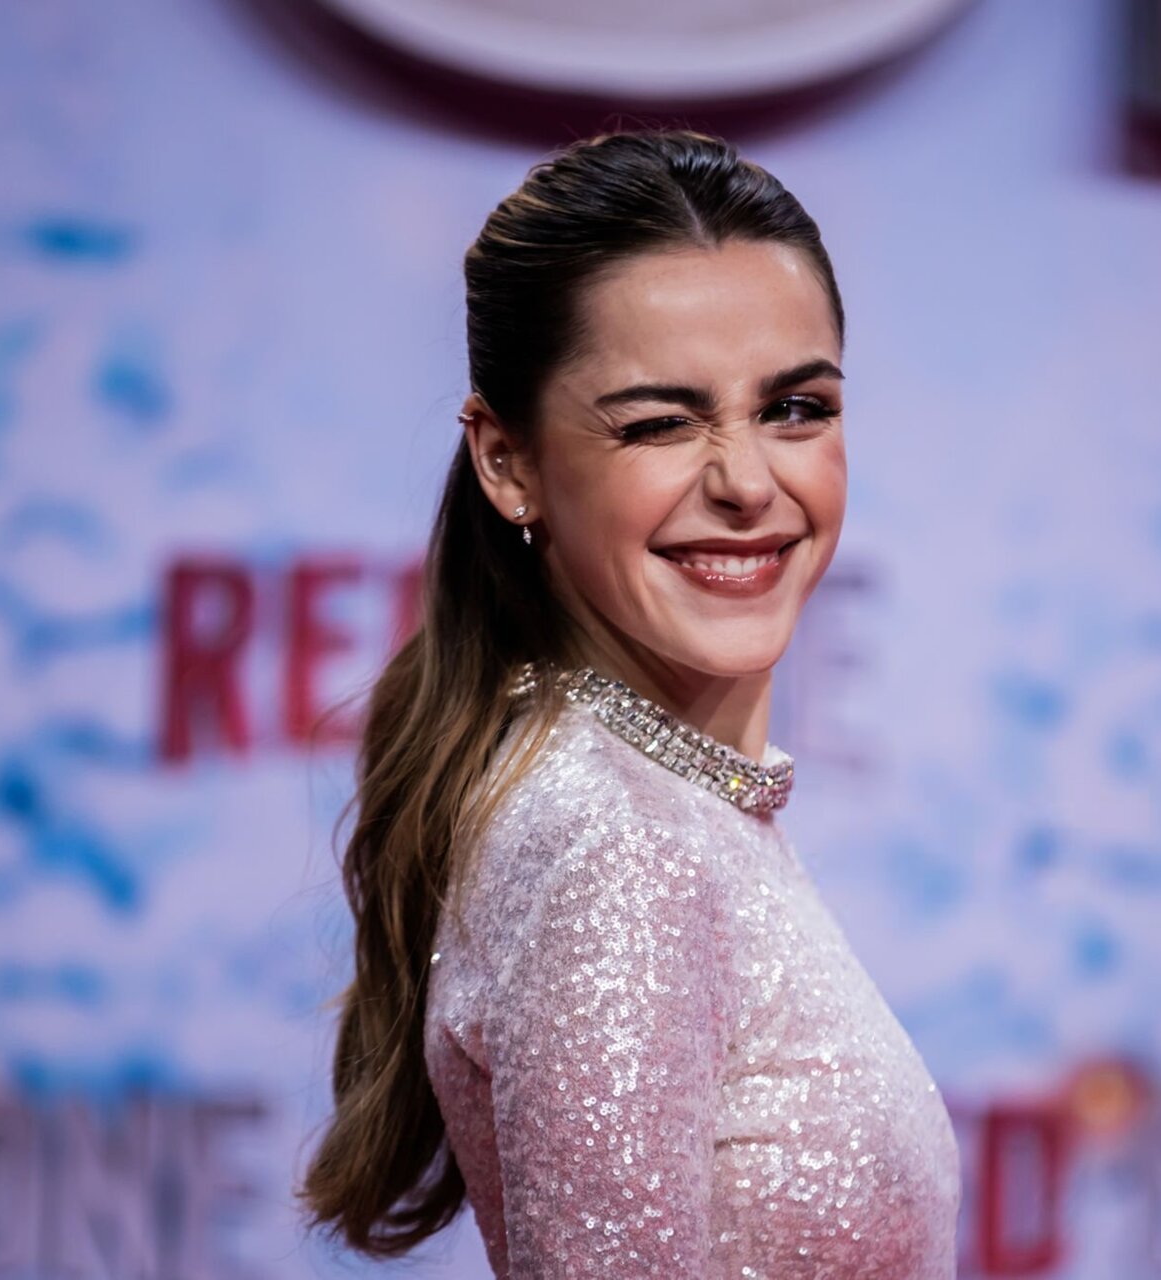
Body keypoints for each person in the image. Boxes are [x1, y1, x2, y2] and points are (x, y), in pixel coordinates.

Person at [296, 127, 960, 1277]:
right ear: (508, 463)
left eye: (795, 407)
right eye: (660, 422)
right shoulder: (620, 843)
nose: (746, 482)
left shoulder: (659, 807)